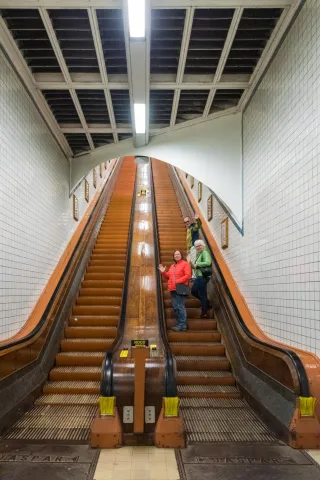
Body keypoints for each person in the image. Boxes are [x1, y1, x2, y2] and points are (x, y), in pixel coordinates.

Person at [158, 251, 192, 332]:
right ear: (173, 257)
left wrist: (177, 281)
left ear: (181, 256)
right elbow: (168, 276)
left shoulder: (185, 264)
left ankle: (182, 325)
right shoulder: (173, 266)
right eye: (175, 254)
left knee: (180, 306)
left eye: (178, 254)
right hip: (172, 288)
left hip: (181, 287)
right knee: (176, 307)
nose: (176, 255)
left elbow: (188, 275)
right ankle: (180, 325)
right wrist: (163, 272)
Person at [188, 239, 212, 318]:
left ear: (203, 245)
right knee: (196, 292)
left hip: (202, 276)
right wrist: (189, 262)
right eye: (196, 246)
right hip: (199, 276)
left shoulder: (204, 252)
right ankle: (206, 304)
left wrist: (197, 264)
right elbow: (194, 267)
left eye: (199, 245)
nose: (198, 247)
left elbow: (208, 262)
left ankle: (204, 313)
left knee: (199, 293)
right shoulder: (199, 254)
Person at [184, 213, 202, 277]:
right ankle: (194, 275)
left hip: (194, 247)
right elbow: (188, 242)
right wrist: (187, 251)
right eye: (185, 222)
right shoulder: (188, 230)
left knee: (194, 261)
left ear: (190, 221)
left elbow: (198, 226)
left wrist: (197, 220)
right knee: (190, 262)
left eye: (187, 221)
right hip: (190, 249)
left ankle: (195, 276)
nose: (186, 223)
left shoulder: (193, 227)